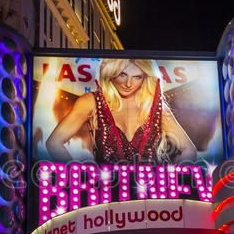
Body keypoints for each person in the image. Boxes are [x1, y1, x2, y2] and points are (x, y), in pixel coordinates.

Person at [45, 58, 197, 164]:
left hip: (151, 197)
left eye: (137, 77)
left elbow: (189, 150)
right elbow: (54, 142)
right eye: (123, 75)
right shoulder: (91, 101)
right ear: (111, 73)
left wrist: (170, 181)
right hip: (106, 197)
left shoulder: (154, 106)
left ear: (145, 78)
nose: (129, 84)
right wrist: (81, 179)